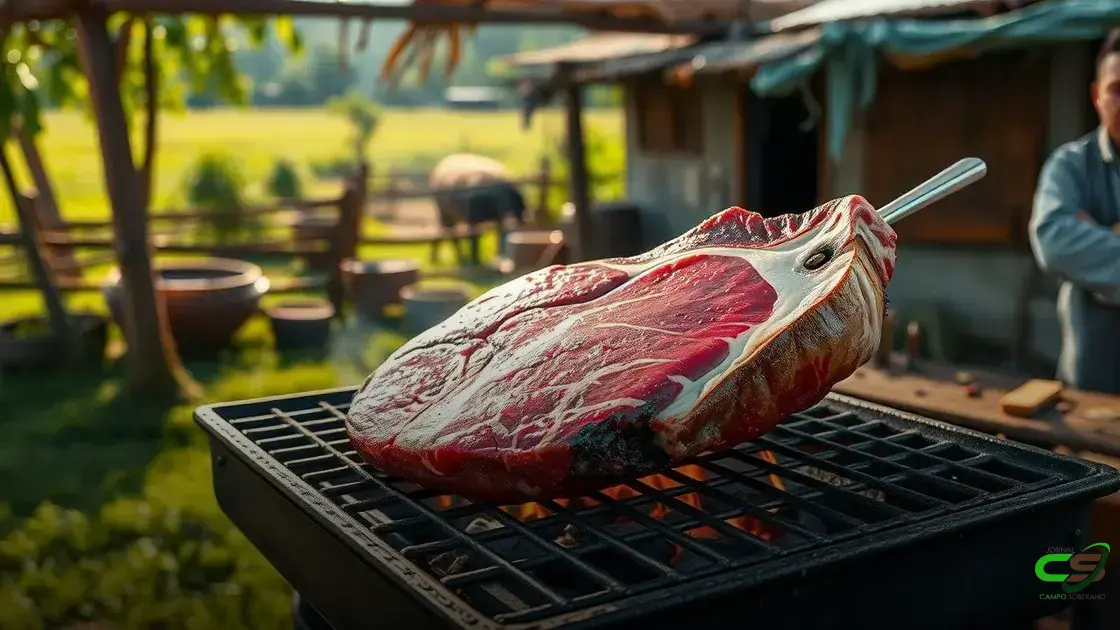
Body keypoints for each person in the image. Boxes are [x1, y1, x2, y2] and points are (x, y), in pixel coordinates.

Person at [1029, 29, 1120, 394]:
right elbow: (1053, 240)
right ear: (1097, 95)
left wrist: (1098, 239)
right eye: (1117, 89)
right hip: (1089, 382)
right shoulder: (1070, 166)